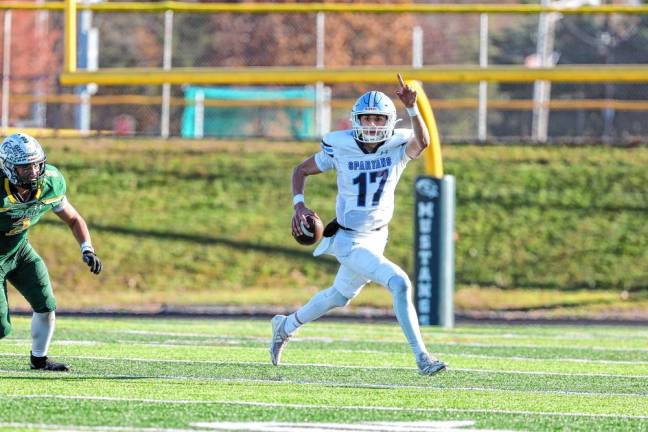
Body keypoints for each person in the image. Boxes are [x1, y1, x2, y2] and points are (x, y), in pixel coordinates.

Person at [270, 74, 447, 375]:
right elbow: (301, 169)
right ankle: (422, 358)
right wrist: (298, 203)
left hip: (378, 237)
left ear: (389, 122)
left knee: (338, 295)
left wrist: (413, 109)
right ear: (356, 120)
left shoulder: (397, 146)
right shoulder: (340, 146)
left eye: (378, 120)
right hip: (349, 239)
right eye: (366, 119)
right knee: (399, 282)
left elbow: (424, 142)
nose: (372, 126)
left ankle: (285, 325)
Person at [0, 133, 102, 371]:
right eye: (25, 168)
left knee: (46, 304)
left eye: (36, 165)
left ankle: (39, 359)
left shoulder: (50, 183)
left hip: (19, 250)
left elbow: (74, 218)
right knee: (1, 327)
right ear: (8, 167)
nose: (34, 172)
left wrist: (87, 248)